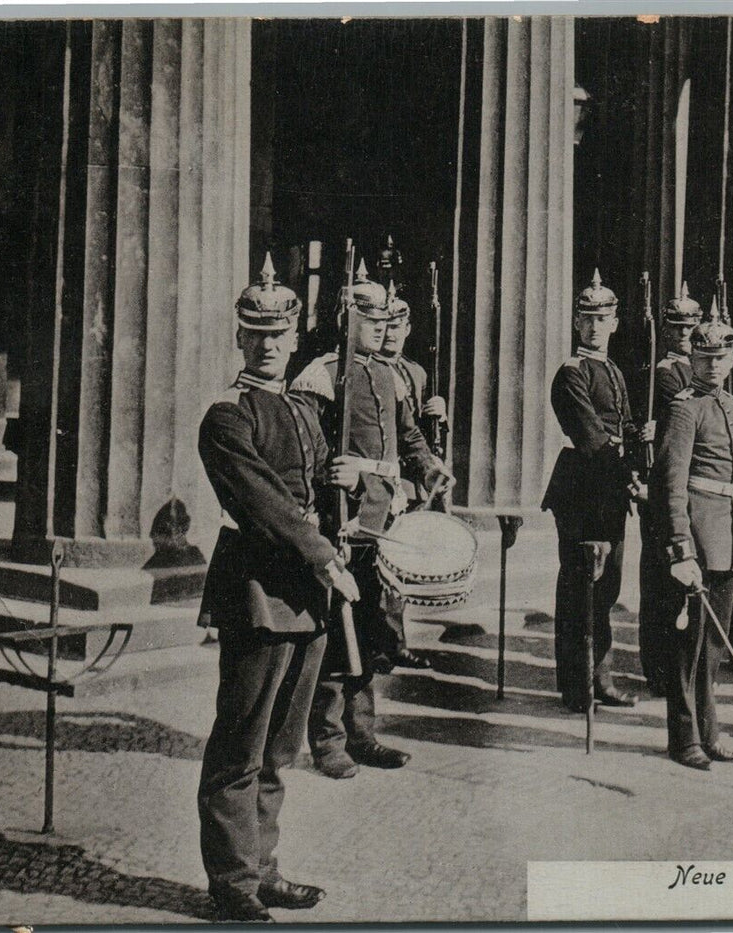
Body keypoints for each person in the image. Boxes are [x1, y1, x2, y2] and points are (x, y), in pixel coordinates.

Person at [196, 254, 360, 922]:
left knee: (279, 748)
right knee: (240, 746)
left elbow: (314, 486)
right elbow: (265, 504)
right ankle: (231, 883)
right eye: (254, 332)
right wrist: (323, 555)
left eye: (278, 333)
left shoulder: (304, 412)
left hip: (309, 595)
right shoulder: (226, 416)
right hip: (260, 590)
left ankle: (264, 868)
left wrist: (345, 480)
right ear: (239, 337)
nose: (267, 344)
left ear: (296, 338)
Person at [293, 261, 450, 779]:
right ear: (346, 315)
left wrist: (428, 468)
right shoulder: (321, 373)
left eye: (386, 317)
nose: (382, 325)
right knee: (338, 634)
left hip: (381, 519)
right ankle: (328, 741)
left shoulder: (387, 374)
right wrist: (335, 476)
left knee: (370, 631)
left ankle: (363, 736)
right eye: (370, 315)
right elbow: (303, 449)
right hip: (340, 521)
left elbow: (408, 437)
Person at [655, 297, 733, 770]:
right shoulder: (685, 408)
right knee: (687, 649)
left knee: (714, 649)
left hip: (730, 541)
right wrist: (681, 548)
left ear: (732, 359)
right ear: (693, 359)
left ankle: (710, 733)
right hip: (697, 540)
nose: (713, 365)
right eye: (704, 357)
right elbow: (671, 485)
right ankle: (684, 739)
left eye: (721, 357)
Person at [542, 270, 653, 712]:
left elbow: (620, 426)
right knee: (579, 588)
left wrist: (639, 437)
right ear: (576, 324)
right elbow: (590, 435)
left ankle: (600, 677)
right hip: (582, 488)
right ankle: (576, 685)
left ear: (615, 323)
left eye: (601, 318)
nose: (593, 326)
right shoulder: (571, 373)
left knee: (605, 590)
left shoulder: (614, 370)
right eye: (586, 318)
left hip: (610, 488)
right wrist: (627, 470)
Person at [374, 286, 449, 671]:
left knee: (399, 568)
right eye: (384, 325)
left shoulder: (416, 372)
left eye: (397, 326)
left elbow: (415, 431)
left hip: (412, 478)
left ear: (407, 329)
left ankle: (393, 639)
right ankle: (388, 642)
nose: (390, 333)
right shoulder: (372, 370)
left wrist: (440, 414)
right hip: (386, 478)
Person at [638, 283, 702, 696]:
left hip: (694, 484)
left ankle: (683, 662)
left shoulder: (698, 368)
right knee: (660, 581)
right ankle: (657, 666)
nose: (683, 334)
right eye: (677, 327)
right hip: (665, 482)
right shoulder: (663, 372)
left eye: (690, 327)